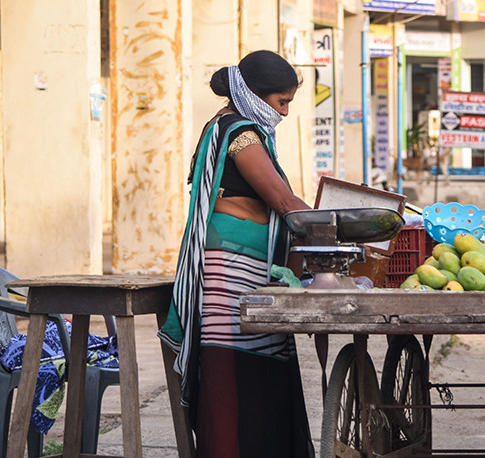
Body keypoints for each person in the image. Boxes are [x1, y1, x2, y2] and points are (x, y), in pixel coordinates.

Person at [158, 50, 314, 457]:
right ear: (256, 96)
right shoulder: (240, 132)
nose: (283, 113)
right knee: (230, 377)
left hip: (247, 269)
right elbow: (281, 200)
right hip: (230, 271)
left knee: (256, 377)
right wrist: (334, 223)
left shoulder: (235, 128)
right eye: (281, 103)